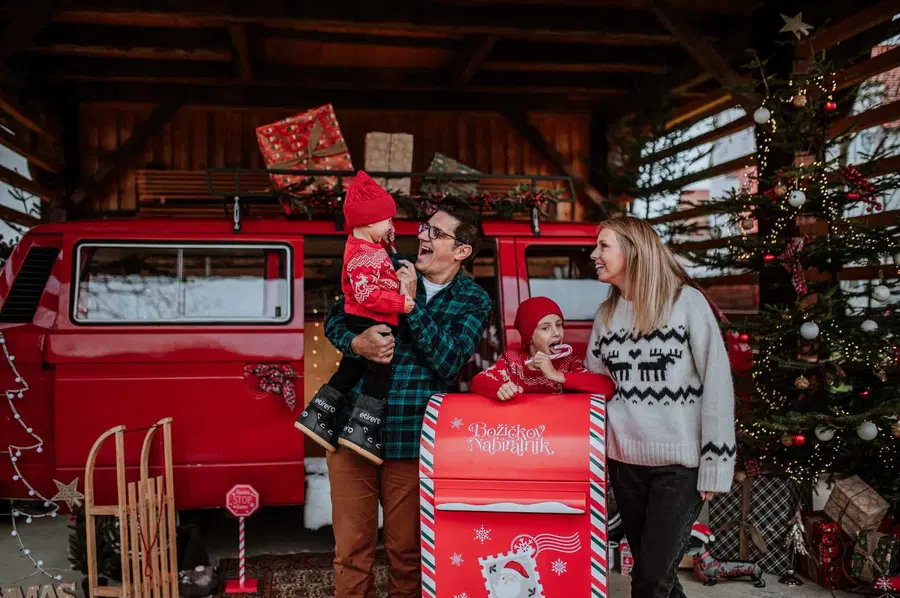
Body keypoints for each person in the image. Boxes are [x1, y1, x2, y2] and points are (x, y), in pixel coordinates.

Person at [324, 197, 492, 598]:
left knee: (407, 553)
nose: (423, 237)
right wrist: (355, 342)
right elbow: (336, 317)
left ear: (462, 251)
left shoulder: (473, 300)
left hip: (412, 439)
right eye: (424, 228)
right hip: (351, 429)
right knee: (351, 551)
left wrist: (411, 304)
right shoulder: (382, 257)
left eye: (436, 233)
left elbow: (448, 360)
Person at [583, 217, 736, 598]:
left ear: (634, 251)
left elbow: (717, 385)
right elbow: (596, 386)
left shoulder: (687, 303)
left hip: (678, 468)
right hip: (625, 465)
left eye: (604, 246)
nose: (594, 254)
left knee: (650, 581)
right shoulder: (606, 315)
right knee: (659, 580)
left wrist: (716, 463)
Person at [295, 172, 414, 465]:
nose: (391, 226)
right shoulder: (364, 255)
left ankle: (317, 416)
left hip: (365, 320)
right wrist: (402, 302)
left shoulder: (370, 249)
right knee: (379, 375)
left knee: (349, 370)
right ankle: (362, 429)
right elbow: (366, 294)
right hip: (370, 321)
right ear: (370, 221)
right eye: (387, 220)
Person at [470, 296, 614, 400]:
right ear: (529, 337)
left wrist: (556, 375)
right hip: (525, 434)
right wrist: (500, 389)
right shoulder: (512, 361)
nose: (557, 332)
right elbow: (477, 382)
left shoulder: (568, 363)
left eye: (558, 325)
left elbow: (607, 388)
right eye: (545, 328)